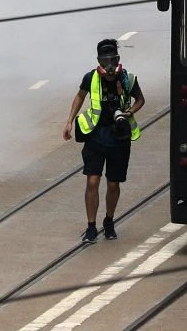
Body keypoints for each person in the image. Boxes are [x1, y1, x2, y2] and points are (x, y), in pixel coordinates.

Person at [63, 38, 144, 243]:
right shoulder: (90, 78)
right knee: (92, 180)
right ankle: (91, 227)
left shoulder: (128, 79)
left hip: (119, 137)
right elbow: (80, 97)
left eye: (113, 60)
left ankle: (109, 221)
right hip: (96, 136)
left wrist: (128, 113)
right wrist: (69, 121)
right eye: (105, 60)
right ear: (99, 60)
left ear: (118, 59)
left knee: (114, 184)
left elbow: (141, 100)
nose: (110, 65)